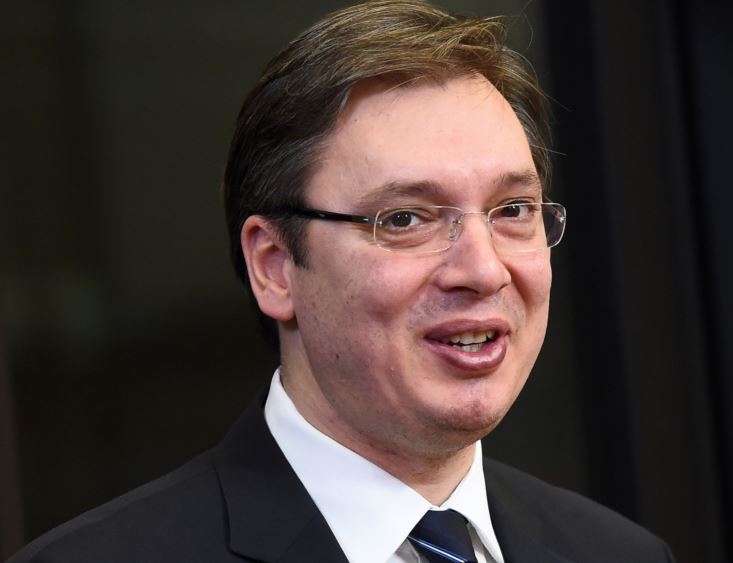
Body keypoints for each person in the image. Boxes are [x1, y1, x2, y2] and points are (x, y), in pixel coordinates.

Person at [9, 1, 675, 562]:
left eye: (512, 211)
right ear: (274, 267)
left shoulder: (618, 553)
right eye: (405, 218)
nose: (482, 269)